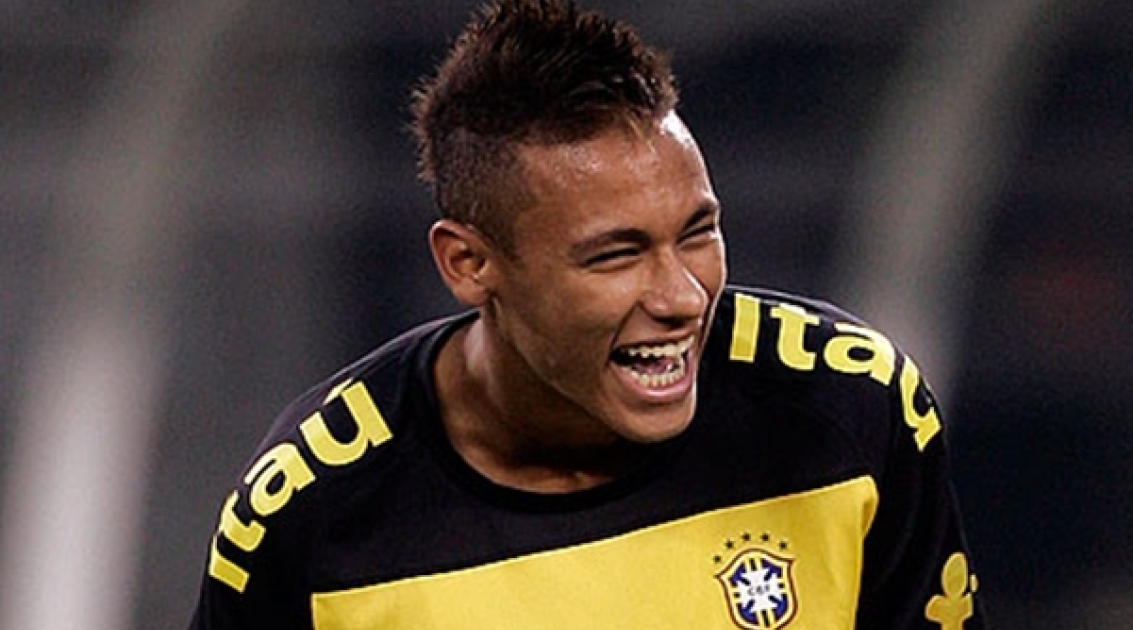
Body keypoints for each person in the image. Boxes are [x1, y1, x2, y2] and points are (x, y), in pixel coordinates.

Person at [188, 0, 985, 628]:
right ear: (468, 263)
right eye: (615, 256)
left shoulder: (845, 411)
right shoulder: (317, 514)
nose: (681, 297)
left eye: (697, 233)